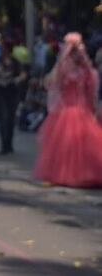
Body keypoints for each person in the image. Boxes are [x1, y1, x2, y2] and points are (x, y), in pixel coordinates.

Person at [33, 32, 102, 187]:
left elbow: (89, 91)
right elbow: (54, 84)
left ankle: (83, 175)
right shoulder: (75, 69)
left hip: (74, 109)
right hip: (73, 109)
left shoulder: (81, 70)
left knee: (77, 144)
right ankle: (78, 175)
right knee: (74, 145)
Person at [0, 46, 27, 154]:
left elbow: (23, 74)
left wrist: (17, 79)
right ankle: (4, 145)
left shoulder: (15, 62)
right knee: (3, 118)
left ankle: (9, 144)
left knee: (10, 119)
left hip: (12, 92)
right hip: (0, 92)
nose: (4, 52)